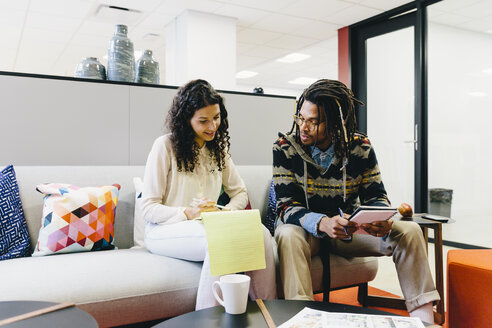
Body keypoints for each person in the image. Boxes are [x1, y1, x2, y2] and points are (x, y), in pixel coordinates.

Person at [272, 79, 440, 323]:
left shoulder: (360, 147)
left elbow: (377, 195)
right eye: (300, 117)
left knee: (409, 230)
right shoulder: (284, 148)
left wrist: (381, 219)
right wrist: (322, 222)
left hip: (349, 231)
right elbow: (285, 206)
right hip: (306, 233)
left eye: (313, 121)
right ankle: (302, 319)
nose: (302, 127)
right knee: (287, 234)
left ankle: (424, 319)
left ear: (335, 124)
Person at [141, 79, 277, 310]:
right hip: (163, 230)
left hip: (209, 225)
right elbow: (148, 208)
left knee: (261, 232)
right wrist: (189, 212)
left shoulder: (218, 150)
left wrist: (226, 213)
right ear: (186, 120)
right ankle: (208, 321)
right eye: (203, 121)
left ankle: (269, 312)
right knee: (221, 239)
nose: (212, 126)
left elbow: (240, 193)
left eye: (216, 118)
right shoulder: (164, 146)